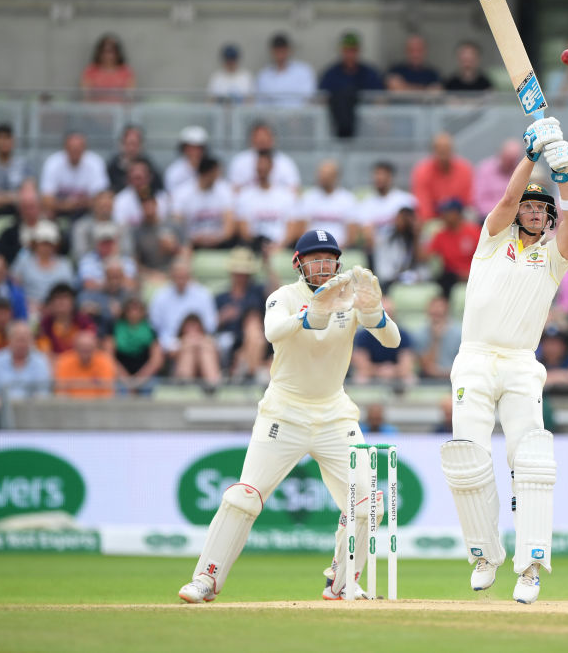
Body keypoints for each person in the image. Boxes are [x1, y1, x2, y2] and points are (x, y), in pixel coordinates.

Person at [177, 229, 402, 604]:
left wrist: (375, 314)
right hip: (284, 413)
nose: (323, 265)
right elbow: (272, 332)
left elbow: (392, 341)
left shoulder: (348, 298)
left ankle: (342, 584)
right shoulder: (282, 297)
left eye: (330, 259)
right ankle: (205, 578)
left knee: (368, 503)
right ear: (299, 263)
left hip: (335, 415)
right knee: (245, 497)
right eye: (315, 259)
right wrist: (310, 313)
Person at [440, 116, 568, 604]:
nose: (536, 212)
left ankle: (531, 566)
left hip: (521, 363)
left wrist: (563, 179)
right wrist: (530, 155)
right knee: (467, 456)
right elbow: (504, 200)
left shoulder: (555, 257)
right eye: (530, 206)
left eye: (543, 209)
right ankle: (485, 555)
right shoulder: (493, 239)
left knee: (532, 460)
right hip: (475, 359)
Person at [318, 31, 385, 137]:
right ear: (341, 50)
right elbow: (321, 99)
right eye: (347, 50)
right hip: (335, 128)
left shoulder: (369, 73)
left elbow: (380, 99)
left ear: (358, 50)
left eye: (353, 50)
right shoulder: (331, 73)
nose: (350, 54)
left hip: (368, 126)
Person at [215, 248, 267, 380]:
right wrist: (222, 317)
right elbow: (210, 325)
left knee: (255, 334)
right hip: (229, 343)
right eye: (238, 273)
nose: (241, 277)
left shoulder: (257, 293)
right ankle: (249, 371)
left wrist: (268, 265)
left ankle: (247, 370)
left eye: (244, 273)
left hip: (255, 341)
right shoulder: (221, 298)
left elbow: (275, 292)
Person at [234, 151, 301, 253]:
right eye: (259, 165)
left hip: (281, 249)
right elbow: (244, 231)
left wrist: (278, 247)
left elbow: (291, 229)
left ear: (271, 167)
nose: (262, 168)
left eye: (265, 165)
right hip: (254, 248)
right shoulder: (245, 196)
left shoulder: (286, 196)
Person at [39, 132, 110, 221]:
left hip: (88, 214)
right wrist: (65, 205)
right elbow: (46, 199)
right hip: (58, 213)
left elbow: (102, 198)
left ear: (84, 149)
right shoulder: (53, 163)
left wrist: (77, 204)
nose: (75, 152)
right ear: (65, 148)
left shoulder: (95, 163)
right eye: (72, 149)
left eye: (78, 149)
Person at [0, 321, 52, 411]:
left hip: (32, 412)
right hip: (1, 412)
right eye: (19, 340)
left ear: (32, 341)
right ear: (9, 340)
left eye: (25, 340)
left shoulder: (41, 361)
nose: (22, 344)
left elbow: (43, 393)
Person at [173, 156, 235, 250]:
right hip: (191, 244)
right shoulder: (183, 193)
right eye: (216, 173)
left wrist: (217, 238)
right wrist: (192, 238)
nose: (218, 177)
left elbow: (229, 225)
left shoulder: (224, 190)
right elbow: (177, 223)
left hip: (219, 244)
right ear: (207, 173)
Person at [351, 299, 417, 386]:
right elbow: (362, 366)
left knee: (410, 379)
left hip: (396, 375)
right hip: (372, 375)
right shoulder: (363, 335)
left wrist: (392, 371)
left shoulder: (403, 335)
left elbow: (406, 366)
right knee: (360, 379)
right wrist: (380, 371)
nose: (385, 318)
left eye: (389, 314)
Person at [424, 199, 482, 297]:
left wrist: (471, 274)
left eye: (447, 212)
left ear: (457, 213)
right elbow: (424, 257)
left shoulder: (474, 232)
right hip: (451, 277)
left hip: (474, 274)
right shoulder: (441, 235)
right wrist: (416, 235)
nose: (443, 216)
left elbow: (486, 255)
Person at [296, 160, 359, 248]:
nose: (323, 177)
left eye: (328, 175)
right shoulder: (308, 198)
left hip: (340, 249)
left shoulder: (348, 199)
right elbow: (301, 230)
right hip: (312, 248)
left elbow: (352, 234)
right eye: (321, 174)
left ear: (336, 177)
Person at [106, 297, 163, 396]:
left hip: (145, 377)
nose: (134, 312)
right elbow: (109, 357)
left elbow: (156, 360)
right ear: (125, 311)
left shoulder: (151, 330)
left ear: (143, 312)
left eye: (137, 309)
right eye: (130, 309)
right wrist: (126, 380)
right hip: (120, 376)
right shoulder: (114, 328)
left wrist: (138, 381)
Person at [411, 132, 474, 221]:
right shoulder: (422, 171)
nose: (443, 152)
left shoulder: (465, 169)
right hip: (434, 218)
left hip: (460, 217)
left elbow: (468, 199)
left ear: (452, 149)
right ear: (433, 150)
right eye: (440, 149)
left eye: (446, 148)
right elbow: (423, 204)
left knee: (472, 216)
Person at [227, 121, 301, 193]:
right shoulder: (239, 162)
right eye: (258, 136)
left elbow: (294, 189)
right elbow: (233, 190)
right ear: (251, 139)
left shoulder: (285, 162)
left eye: (266, 136)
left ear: (273, 139)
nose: (262, 140)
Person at [358, 161, 418, 251]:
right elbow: (367, 230)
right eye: (377, 174)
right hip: (377, 248)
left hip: (402, 246)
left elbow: (413, 226)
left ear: (390, 177)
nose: (379, 178)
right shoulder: (366, 203)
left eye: (383, 175)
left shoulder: (406, 200)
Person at [35, 283, 98, 358]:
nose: (61, 302)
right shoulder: (45, 325)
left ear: (73, 302)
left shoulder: (84, 322)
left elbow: (91, 347)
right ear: (51, 303)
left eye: (65, 298)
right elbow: (44, 353)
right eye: (57, 298)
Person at [255, 33, 317, 107]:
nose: (280, 55)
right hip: (270, 114)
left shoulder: (303, 71)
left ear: (289, 51)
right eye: (277, 52)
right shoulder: (264, 75)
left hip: (299, 113)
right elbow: (260, 102)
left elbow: (309, 98)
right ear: (272, 52)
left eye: (283, 51)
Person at [53, 328, 116, 398]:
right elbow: (60, 392)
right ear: (75, 348)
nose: (85, 352)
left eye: (89, 349)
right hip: (70, 403)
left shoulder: (104, 362)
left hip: (97, 403)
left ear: (94, 348)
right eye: (82, 349)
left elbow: (107, 393)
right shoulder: (64, 361)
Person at [111, 159, 171, 229]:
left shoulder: (163, 198)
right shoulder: (120, 200)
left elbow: (168, 223)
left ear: (149, 178)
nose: (139, 183)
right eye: (135, 178)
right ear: (128, 179)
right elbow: (120, 226)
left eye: (141, 178)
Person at [414, 296, 462, 380]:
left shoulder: (459, 333)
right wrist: (436, 339)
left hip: (454, 378)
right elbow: (426, 367)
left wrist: (444, 373)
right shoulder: (421, 334)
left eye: (440, 314)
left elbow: (462, 364)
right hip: (429, 380)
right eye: (434, 314)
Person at [106, 126, 162, 195]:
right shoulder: (113, 167)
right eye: (129, 144)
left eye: (135, 144)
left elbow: (158, 189)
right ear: (122, 144)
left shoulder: (149, 166)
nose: (131, 148)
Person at [473, 140, 521, 219]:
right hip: (488, 216)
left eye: (512, 160)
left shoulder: (520, 172)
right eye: (507, 158)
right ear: (500, 154)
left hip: (513, 216)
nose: (509, 162)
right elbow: (479, 201)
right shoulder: (485, 170)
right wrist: (500, 212)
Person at [80, 33, 135, 102]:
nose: (107, 55)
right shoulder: (90, 71)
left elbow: (129, 97)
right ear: (99, 52)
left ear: (118, 53)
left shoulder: (126, 71)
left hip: (118, 107)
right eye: (104, 51)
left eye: (111, 51)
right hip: (96, 107)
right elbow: (87, 96)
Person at [164, 126, 209, 200]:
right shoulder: (174, 171)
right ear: (183, 149)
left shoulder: (210, 169)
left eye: (199, 148)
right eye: (191, 148)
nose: (195, 152)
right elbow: (171, 197)